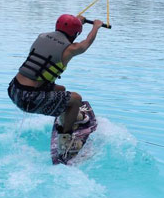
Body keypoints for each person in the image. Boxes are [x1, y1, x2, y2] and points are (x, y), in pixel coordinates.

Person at [8, 14, 103, 151]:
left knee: (61, 89)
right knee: (76, 99)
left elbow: (62, 33)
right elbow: (86, 43)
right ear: (75, 33)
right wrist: (96, 26)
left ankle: (67, 118)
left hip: (14, 89)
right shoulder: (70, 49)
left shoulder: (41, 36)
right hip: (30, 98)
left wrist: (77, 23)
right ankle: (66, 140)